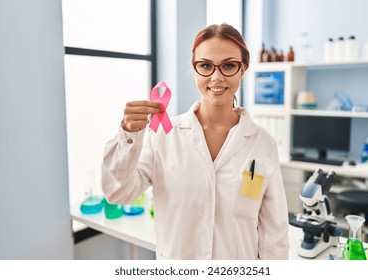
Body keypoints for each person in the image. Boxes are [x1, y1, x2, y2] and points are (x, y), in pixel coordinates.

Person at [101, 23, 289, 260]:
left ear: (244, 68)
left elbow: (275, 235)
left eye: (229, 65)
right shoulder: (164, 136)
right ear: (194, 68)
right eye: (206, 66)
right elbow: (118, 193)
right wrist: (128, 135)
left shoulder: (263, 144)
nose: (216, 77)